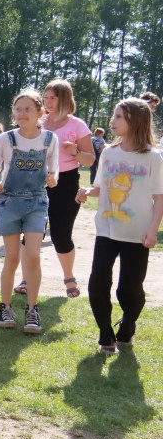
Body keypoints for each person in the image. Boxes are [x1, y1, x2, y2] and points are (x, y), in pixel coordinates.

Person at [77, 98, 163, 353]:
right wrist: (86, 191)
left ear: (135, 121)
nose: (112, 121)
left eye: (119, 117)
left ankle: (127, 326)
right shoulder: (109, 152)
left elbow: (159, 198)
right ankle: (106, 335)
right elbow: (101, 187)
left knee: (130, 289)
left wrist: (152, 230)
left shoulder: (153, 156)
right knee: (98, 283)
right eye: (114, 116)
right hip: (107, 229)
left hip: (138, 233)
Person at [0, 90, 59, 334]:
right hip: (10, 202)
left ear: (40, 113)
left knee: (34, 257)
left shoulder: (50, 139)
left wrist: (52, 178)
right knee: (12, 258)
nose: (21, 113)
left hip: (37, 203)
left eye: (28, 109)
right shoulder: (6, 139)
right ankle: (5, 306)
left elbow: (54, 172)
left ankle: (32, 310)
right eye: (18, 109)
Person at [25, 79, 94, 299]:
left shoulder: (78, 125)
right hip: (35, 181)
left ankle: (69, 278)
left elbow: (90, 160)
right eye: (45, 97)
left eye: (53, 97)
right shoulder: (37, 122)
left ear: (64, 99)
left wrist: (74, 151)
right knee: (31, 233)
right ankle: (26, 279)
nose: (47, 101)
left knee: (61, 235)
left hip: (66, 183)